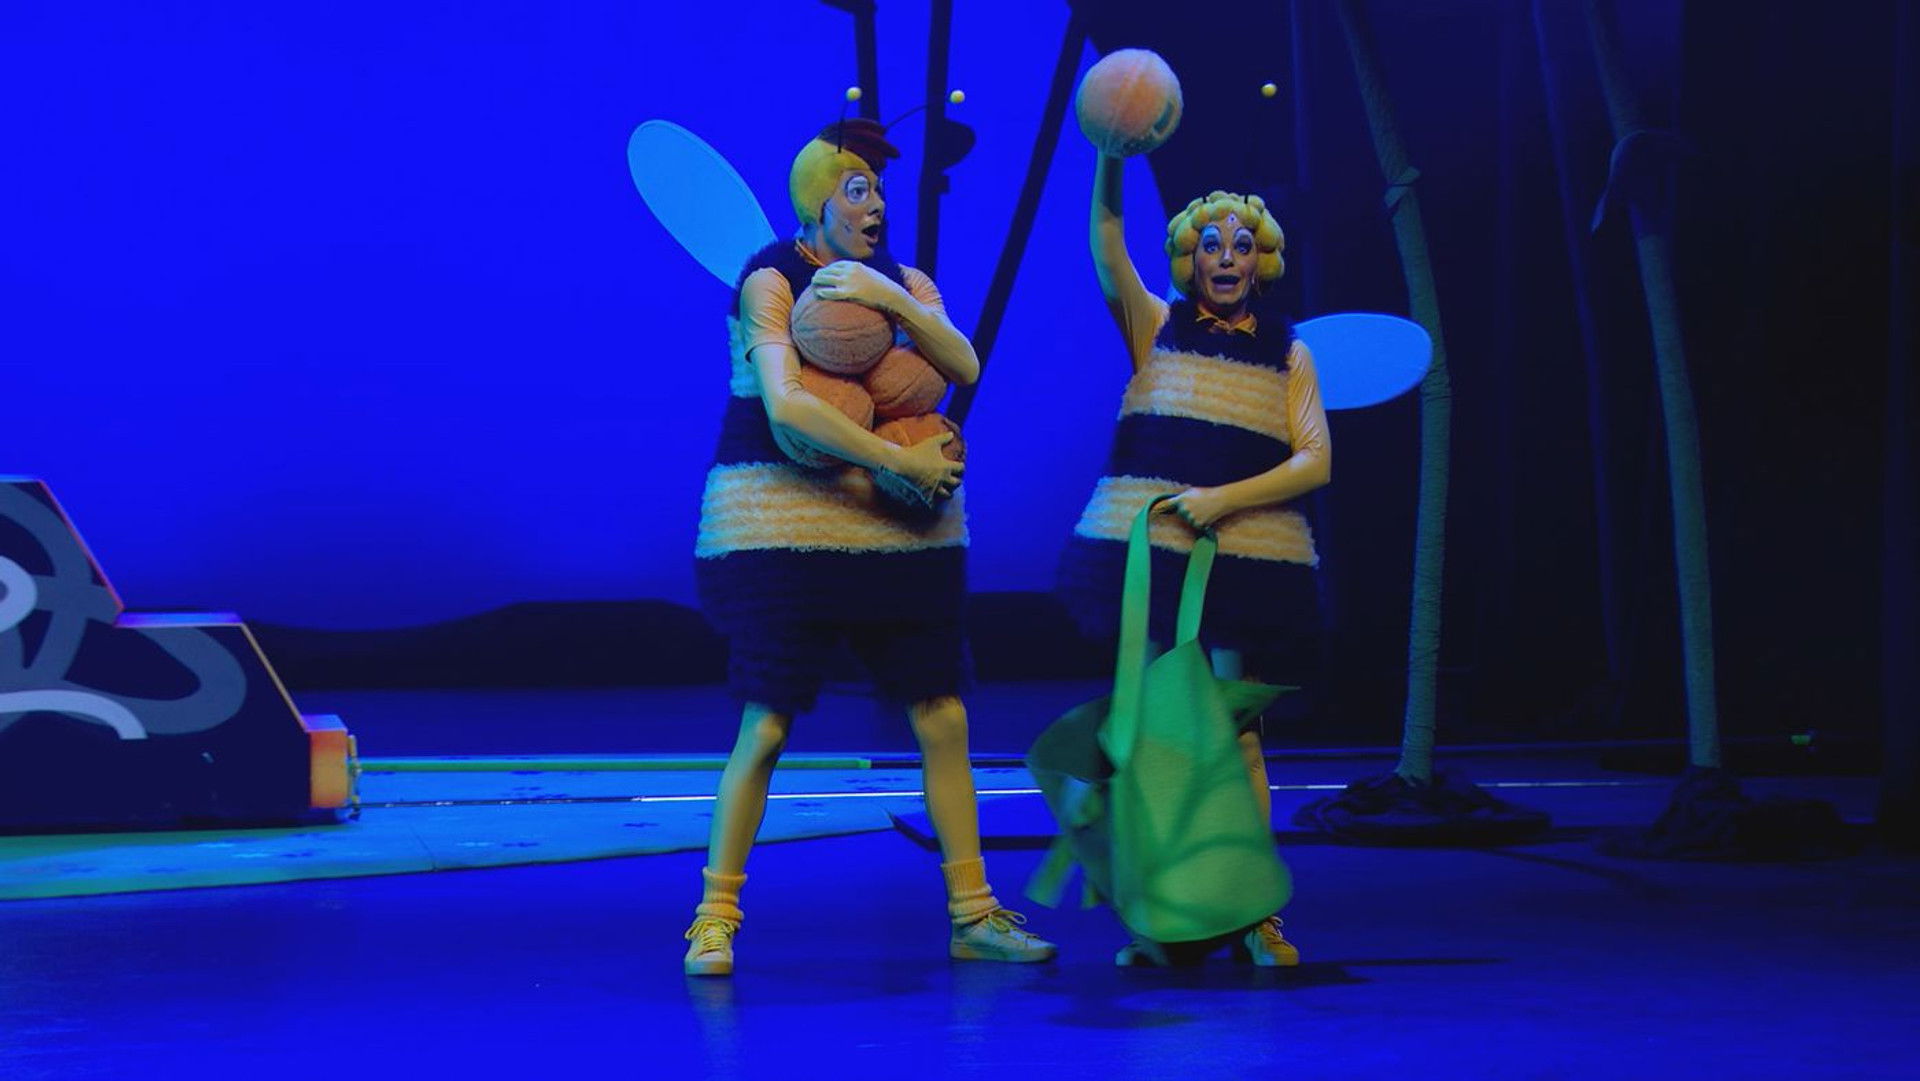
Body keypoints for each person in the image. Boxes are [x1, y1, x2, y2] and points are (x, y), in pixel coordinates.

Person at [682, 116, 1055, 976]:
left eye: (880, 190)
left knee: (943, 714)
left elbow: (963, 364)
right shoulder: (770, 280)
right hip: (791, 523)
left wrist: (894, 301)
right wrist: (898, 460)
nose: (877, 204)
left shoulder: (906, 280)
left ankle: (974, 911)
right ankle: (713, 916)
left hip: (900, 536)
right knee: (767, 724)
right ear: (817, 203)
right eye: (859, 189)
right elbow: (787, 405)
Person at [1055, 153, 1332, 967]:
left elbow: (1315, 459)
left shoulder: (1289, 354)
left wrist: (1223, 499)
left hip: (1240, 563)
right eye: (1211, 244)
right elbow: (1108, 239)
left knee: (1235, 734)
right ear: (1191, 259)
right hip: (1156, 562)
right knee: (1153, 736)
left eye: (1241, 245)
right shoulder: (1158, 328)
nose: (1226, 257)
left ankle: (1255, 914)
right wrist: (1110, 149)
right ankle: (1161, 916)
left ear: (1261, 260)